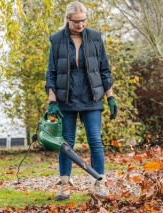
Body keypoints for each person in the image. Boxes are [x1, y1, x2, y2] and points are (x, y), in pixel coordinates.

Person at [45, 1, 118, 201]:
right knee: (66, 143)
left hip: (91, 96)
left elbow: (104, 69)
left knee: (95, 139)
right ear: (68, 19)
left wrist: (110, 96)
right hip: (65, 98)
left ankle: (99, 183)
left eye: (84, 20)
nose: (81, 25)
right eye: (76, 21)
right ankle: (65, 185)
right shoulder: (57, 40)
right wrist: (52, 101)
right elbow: (51, 72)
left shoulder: (95, 38)